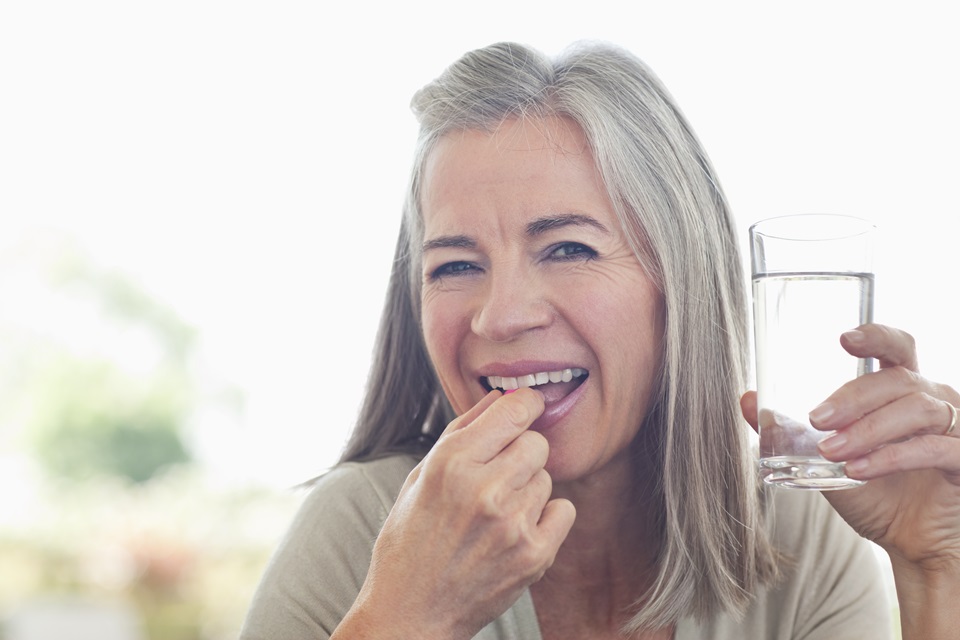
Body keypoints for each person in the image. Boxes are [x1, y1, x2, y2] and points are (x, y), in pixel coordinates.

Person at [240, 41, 960, 639]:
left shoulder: (804, 536)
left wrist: (937, 569)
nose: (501, 317)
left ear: (680, 280)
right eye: (456, 265)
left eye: (568, 249)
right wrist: (406, 617)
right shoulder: (360, 531)